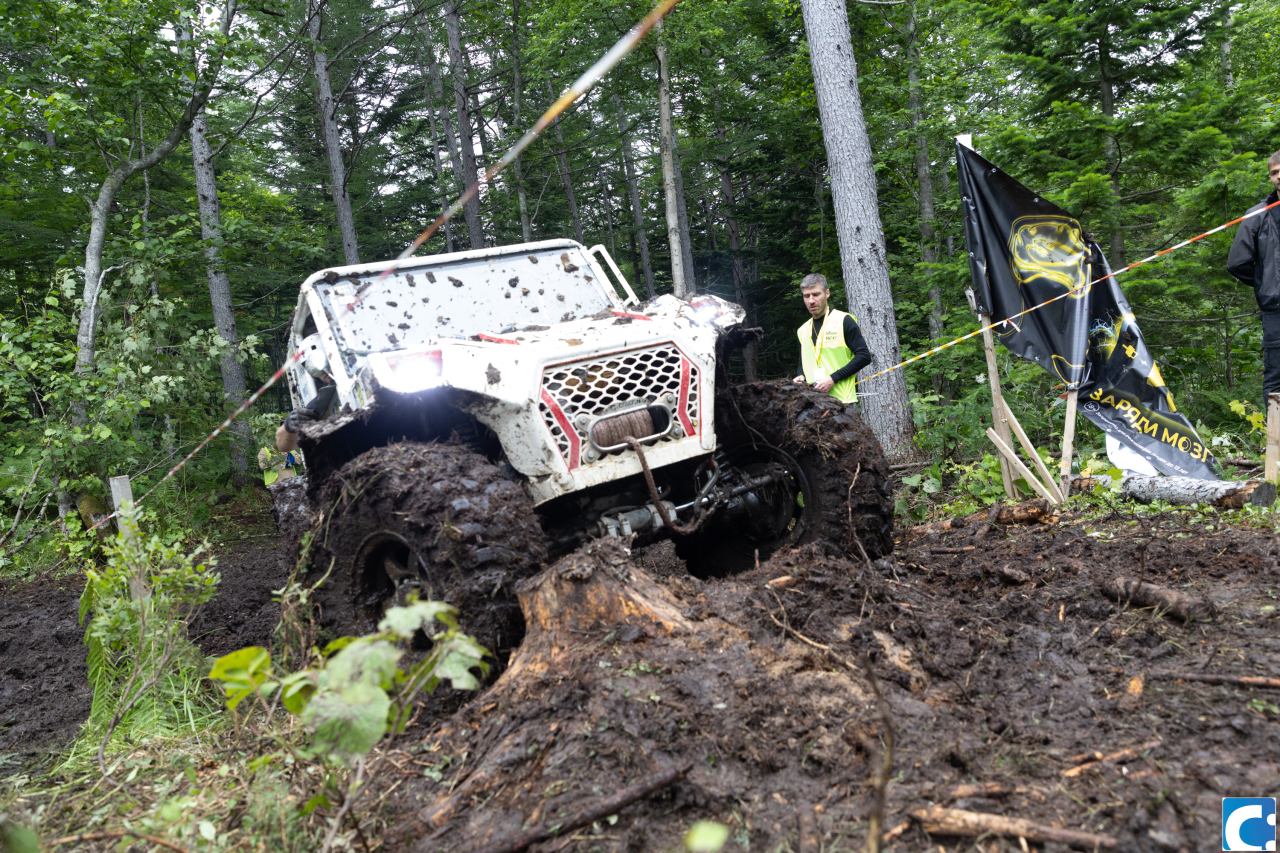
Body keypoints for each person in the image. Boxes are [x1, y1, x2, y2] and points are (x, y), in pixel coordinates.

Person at [1228, 150, 1280, 397]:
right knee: (1276, 376)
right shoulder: (1258, 214)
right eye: (1274, 172)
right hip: (1276, 308)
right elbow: (1237, 263)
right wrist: (1266, 283)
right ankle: (1275, 436)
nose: (1279, 176)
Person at [792, 272, 872, 406]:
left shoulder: (843, 320)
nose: (811, 300)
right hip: (813, 403)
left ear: (827, 293)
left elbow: (864, 356)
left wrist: (832, 379)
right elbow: (803, 363)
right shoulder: (802, 330)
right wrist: (800, 376)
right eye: (806, 296)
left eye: (816, 294)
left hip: (842, 403)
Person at [276, 333, 339, 453]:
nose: (320, 371)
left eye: (319, 361)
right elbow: (282, 446)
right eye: (313, 369)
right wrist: (290, 425)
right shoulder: (324, 399)